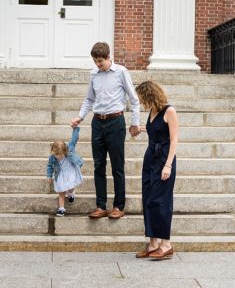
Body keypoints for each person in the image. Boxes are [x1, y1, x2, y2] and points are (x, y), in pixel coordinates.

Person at [71, 42, 140, 220]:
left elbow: (134, 99)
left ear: (109, 57)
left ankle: (119, 205)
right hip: (97, 123)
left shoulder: (121, 72)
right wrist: (80, 117)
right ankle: (101, 205)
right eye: (95, 61)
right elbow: (89, 99)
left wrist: (135, 122)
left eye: (100, 61)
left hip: (116, 122)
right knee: (98, 165)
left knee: (117, 166)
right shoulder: (93, 74)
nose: (98, 64)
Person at [133, 80, 179, 260]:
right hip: (150, 159)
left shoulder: (169, 111)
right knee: (148, 200)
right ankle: (153, 244)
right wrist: (140, 130)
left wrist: (168, 165)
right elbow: (156, 130)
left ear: (151, 95)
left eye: (143, 98)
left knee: (161, 201)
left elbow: (174, 139)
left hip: (164, 160)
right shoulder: (152, 111)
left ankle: (166, 244)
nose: (141, 102)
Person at [45, 125, 84, 216]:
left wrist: (75, 129)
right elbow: (50, 166)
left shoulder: (69, 149)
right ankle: (61, 209)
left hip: (70, 171)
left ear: (64, 152)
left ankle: (70, 193)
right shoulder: (52, 157)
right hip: (60, 174)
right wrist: (49, 176)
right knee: (61, 192)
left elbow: (74, 139)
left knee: (70, 187)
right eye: (56, 155)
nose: (59, 157)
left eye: (61, 155)